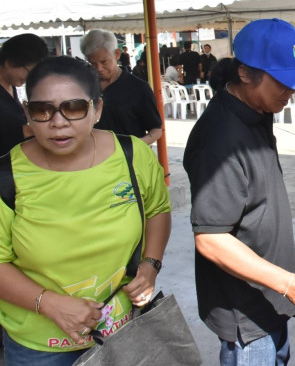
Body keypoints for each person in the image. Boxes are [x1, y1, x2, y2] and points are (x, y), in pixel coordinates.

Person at [184, 19, 295, 366]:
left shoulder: (257, 109)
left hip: (269, 297)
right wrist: (290, 284)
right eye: (283, 81)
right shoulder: (220, 141)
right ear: (244, 73)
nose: (291, 92)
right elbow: (210, 239)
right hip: (246, 315)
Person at [0, 56, 171, 366]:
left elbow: (157, 209)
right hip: (40, 349)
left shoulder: (132, 155)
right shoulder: (7, 177)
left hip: (125, 330)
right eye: (42, 110)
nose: (58, 122)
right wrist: (48, 304)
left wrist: (150, 265)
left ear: (97, 109)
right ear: (27, 112)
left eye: (74, 107)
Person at [80, 30, 162, 145]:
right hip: (92, 153)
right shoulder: (84, 87)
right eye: (93, 63)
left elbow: (156, 129)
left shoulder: (139, 88)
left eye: (104, 62)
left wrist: (135, 146)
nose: (99, 68)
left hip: (128, 154)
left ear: (117, 54)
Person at [0, 34, 49, 156]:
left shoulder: (11, 86)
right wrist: (22, 132)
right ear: (9, 63)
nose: (30, 79)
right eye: (30, 72)